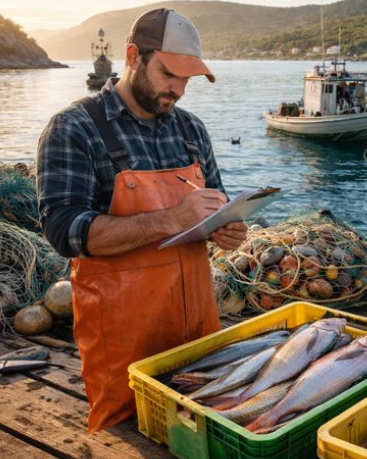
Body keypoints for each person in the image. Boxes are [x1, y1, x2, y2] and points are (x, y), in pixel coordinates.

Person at [36, 8, 248, 432]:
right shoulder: (74, 128)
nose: (178, 89)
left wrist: (226, 228)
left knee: (201, 430)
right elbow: (65, 231)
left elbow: (215, 202)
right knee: (127, 437)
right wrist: (170, 219)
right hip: (122, 343)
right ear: (134, 56)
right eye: (169, 74)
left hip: (198, 333)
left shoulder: (192, 130)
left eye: (188, 79)